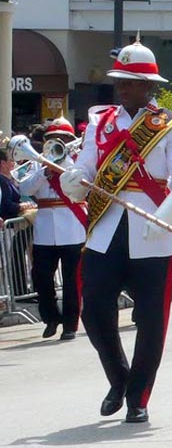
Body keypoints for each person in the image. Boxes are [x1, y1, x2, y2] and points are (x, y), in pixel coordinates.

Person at [60, 38, 172, 423]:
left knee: (152, 321)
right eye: (119, 81)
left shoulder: (171, 127)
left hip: (152, 231)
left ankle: (139, 397)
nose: (121, 88)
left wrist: (161, 221)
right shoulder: (100, 122)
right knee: (95, 310)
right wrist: (74, 180)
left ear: (150, 87)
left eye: (130, 82)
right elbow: (86, 168)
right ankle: (119, 378)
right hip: (106, 229)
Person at [18, 117, 86, 340]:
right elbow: (25, 187)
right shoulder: (38, 162)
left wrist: (63, 167)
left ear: (69, 140)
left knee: (71, 280)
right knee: (40, 277)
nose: (58, 142)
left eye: (63, 138)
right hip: (45, 229)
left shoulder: (77, 161)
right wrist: (44, 172)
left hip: (72, 227)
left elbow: (80, 188)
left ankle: (70, 325)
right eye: (53, 138)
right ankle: (51, 317)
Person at [0, 149, 34, 297]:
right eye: (10, 161)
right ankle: (13, 293)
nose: (13, 163)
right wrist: (23, 206)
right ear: (2, 164)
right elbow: (6, 205)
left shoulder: (7, 180)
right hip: (7, 228)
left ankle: (17, 291)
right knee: (7, 262)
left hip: (12, 228)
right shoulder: (3, 182)